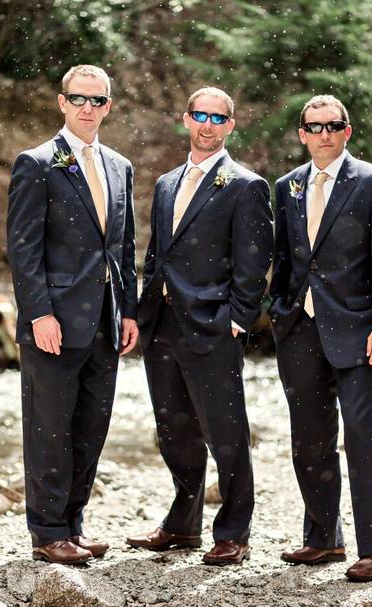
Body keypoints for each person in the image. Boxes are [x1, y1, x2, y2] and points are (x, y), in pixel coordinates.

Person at [127, 87, 273, 566]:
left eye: (218, 118)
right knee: (174, 431)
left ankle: (234, 532)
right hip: (163, 324)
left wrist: (236, 320)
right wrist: (141, 310)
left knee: (226, 433)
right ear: (186, 120)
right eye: (200, 116)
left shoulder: (246, 185)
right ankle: (183, 523)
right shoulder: (167, 183)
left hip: (213, 325)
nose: (208, 125)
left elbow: (254, 264)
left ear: (230, 125)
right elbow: (157, 253)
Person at [269, 94, 372, 581]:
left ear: (347, 131)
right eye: (314, 126)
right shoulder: (286, 187)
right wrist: (279, 311)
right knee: (309, 439)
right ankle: (322, 538)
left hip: (358, 329)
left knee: (360, 435)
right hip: (299, 330)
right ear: (302, 134)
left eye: (333, 126)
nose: (323, 134)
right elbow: (286, 259)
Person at [6, 64, 138, 564]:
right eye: (79, 99)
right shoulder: (36, 163)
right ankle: (47, 533)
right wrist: (39, 312)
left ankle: (74, 525)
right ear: (62, 102)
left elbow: (122, 248)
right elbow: (23, 248)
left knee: (89, 428)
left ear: (108, 105)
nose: (88, 108)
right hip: (54, 322)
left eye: (97, 100)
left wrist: (127, 311)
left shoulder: (120, 167)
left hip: (105, 322)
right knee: (49, 428)